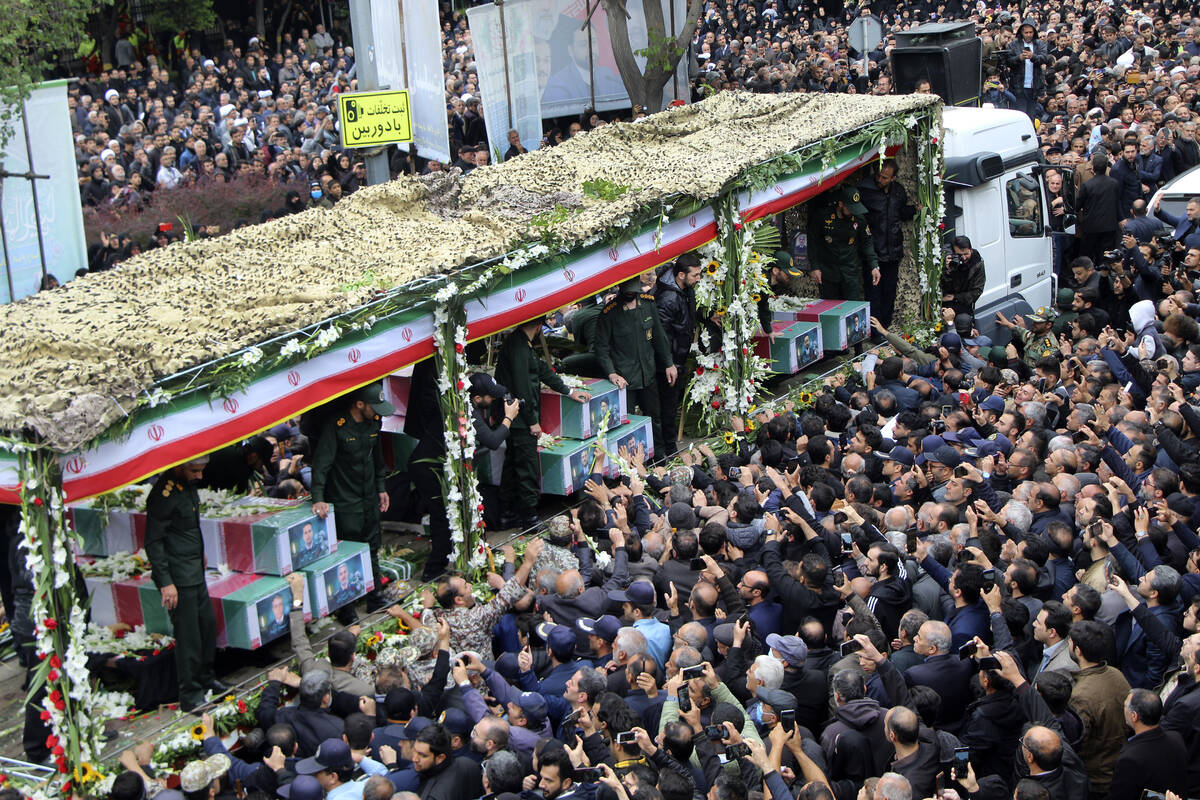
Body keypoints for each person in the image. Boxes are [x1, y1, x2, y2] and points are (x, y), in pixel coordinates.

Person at [495, 317, 592, 530]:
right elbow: (522, 388)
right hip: (520, 419)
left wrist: (569, 391)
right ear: (539, 327)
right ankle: (529, 518)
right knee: (527, 467)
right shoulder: (519, 348)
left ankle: (506, 513)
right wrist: (532, 422)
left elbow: (542, 370)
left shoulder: (521, 344)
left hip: (516, 417)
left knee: (513, 464)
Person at [310, 382, 395, 621]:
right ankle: (345, 605)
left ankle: (374, 596)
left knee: (372, 546)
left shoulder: (374, 424)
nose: (377, 412)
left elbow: (378, 461)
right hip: (345, 500)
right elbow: (321, 465)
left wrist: (381, 488)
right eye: (373, 407)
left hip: (368, 497)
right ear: (359, 404)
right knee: (347, 552)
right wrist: (318, 498)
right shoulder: (337, 427)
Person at [144, 455, 221, 712]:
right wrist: (166, 582)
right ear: (179, 466)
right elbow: (154, 542)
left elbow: (188, 528)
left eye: (202, 470)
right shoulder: (163, 495)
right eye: (194, 470)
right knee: (189, 637)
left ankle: (206, 679)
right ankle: (190, 694)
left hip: (194, 569)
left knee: (207, 627)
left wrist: (200, 554)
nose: (199, 476)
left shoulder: (185, 487)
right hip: (179, 577)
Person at [594, 279, 675, 458]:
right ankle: (628, 464)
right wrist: (611, 373)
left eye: (634, 291)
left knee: (655, 418)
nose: (631, 295)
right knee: (625, 423)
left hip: (648, 374)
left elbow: (659, 337)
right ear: (620, 288)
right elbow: (601, 348)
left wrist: (669, 363)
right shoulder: (610, 312)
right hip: (625, 379)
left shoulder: (647, 304)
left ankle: (660, 458)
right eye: (627, 291)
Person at [858, 159, 915, 327]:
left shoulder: (898, 191)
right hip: (874, 252)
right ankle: (875, 331)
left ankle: (886, 328)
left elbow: (900, 212)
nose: (880, 180)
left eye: (884, 177)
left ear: (893, 178)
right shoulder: (866, 190)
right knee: (873, 293)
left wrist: (914, 210)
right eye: (879, 176)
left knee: (889, 292)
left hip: (893, 251)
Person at [655, 255, 702, 458]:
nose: (699, 279)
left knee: (672, 404)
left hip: (679, 356)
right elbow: (661, 335)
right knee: (668, 406)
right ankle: (668, 450)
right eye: (695, 275)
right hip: (669, 362)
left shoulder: (685, 290)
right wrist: (669, 363)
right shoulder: (667, 298)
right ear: (681, 275)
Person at [806, 185, 879, 302]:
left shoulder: (859, 218)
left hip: (850, 271)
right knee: (829, 309)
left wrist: (874, 266)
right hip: (828, 270)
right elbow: (812, 241)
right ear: (841, 204)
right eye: (850, 208)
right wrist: (815, 267)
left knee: (852, 308)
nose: (853, 212)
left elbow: (867, 242)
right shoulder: (823, 216)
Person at [1076, 153, 1123, 264]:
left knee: (1087, 255)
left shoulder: (1087, 185)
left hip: (1090, 227)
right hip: (1109, 226)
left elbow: (1078, 205)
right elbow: (1118, 203)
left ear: (1093, 167)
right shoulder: (1114, 184)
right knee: (1106, 256)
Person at [940, 236, 986, 317]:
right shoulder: (946, 260)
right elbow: (939, 283)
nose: (963, 258)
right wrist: (947, 270)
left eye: (966, 254)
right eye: (959, 255)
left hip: (964, 303)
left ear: (971, 250)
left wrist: (955, 297)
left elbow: (977, 291)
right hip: (945, 302)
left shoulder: (977, 264)